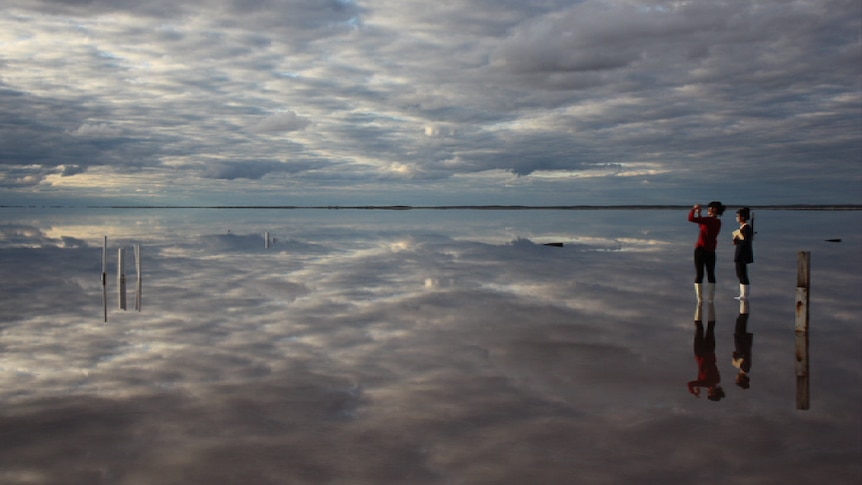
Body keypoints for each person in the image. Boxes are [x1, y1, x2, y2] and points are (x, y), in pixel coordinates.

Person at [689, 201, 726, 302]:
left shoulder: (709, 220)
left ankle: (700, 299)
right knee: (711, 274)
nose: (708, 210)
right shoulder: (717, 222)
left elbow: (691, 219)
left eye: (709, 208)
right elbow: (702, 225)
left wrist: (693, 209)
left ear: (714, 210)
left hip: (701, 249)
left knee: (699, 274)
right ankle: (710, 299)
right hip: (711, 251)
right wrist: (699, 214)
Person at [688, 302, 725, 401]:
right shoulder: (706, 383)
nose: (708, 392)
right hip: (700, 353)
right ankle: (700, 304)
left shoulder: (717, 380)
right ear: (714, 392)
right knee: (699, 327)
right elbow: (690, 384)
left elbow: (702, 371)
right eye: (710, 393)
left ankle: (709, 303)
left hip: (710, 352)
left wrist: (698, 386)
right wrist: (694, 390)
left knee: (710, 328)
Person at [732, 207, 754, 300]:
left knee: (742, 274)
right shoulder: (743, 227)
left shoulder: (746, 227)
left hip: (743, 254)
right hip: (740, 253)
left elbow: (746, 241)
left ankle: (745, 295)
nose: (737, 217)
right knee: (740, 274)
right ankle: (742, 294)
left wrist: (737, 240)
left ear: (743, 217)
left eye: (738, 216)